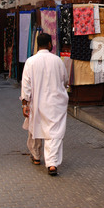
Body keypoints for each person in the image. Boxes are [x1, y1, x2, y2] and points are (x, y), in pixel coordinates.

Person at [20, 33, 69, 176]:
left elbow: (26, 85)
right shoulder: (57, 61)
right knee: (54, 133)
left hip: (37, 102)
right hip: (55, 103)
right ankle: (52, 163)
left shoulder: (31, 61)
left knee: (35, 128)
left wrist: (25, 104)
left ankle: (36, 156)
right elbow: (65, 79)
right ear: (49, 44)